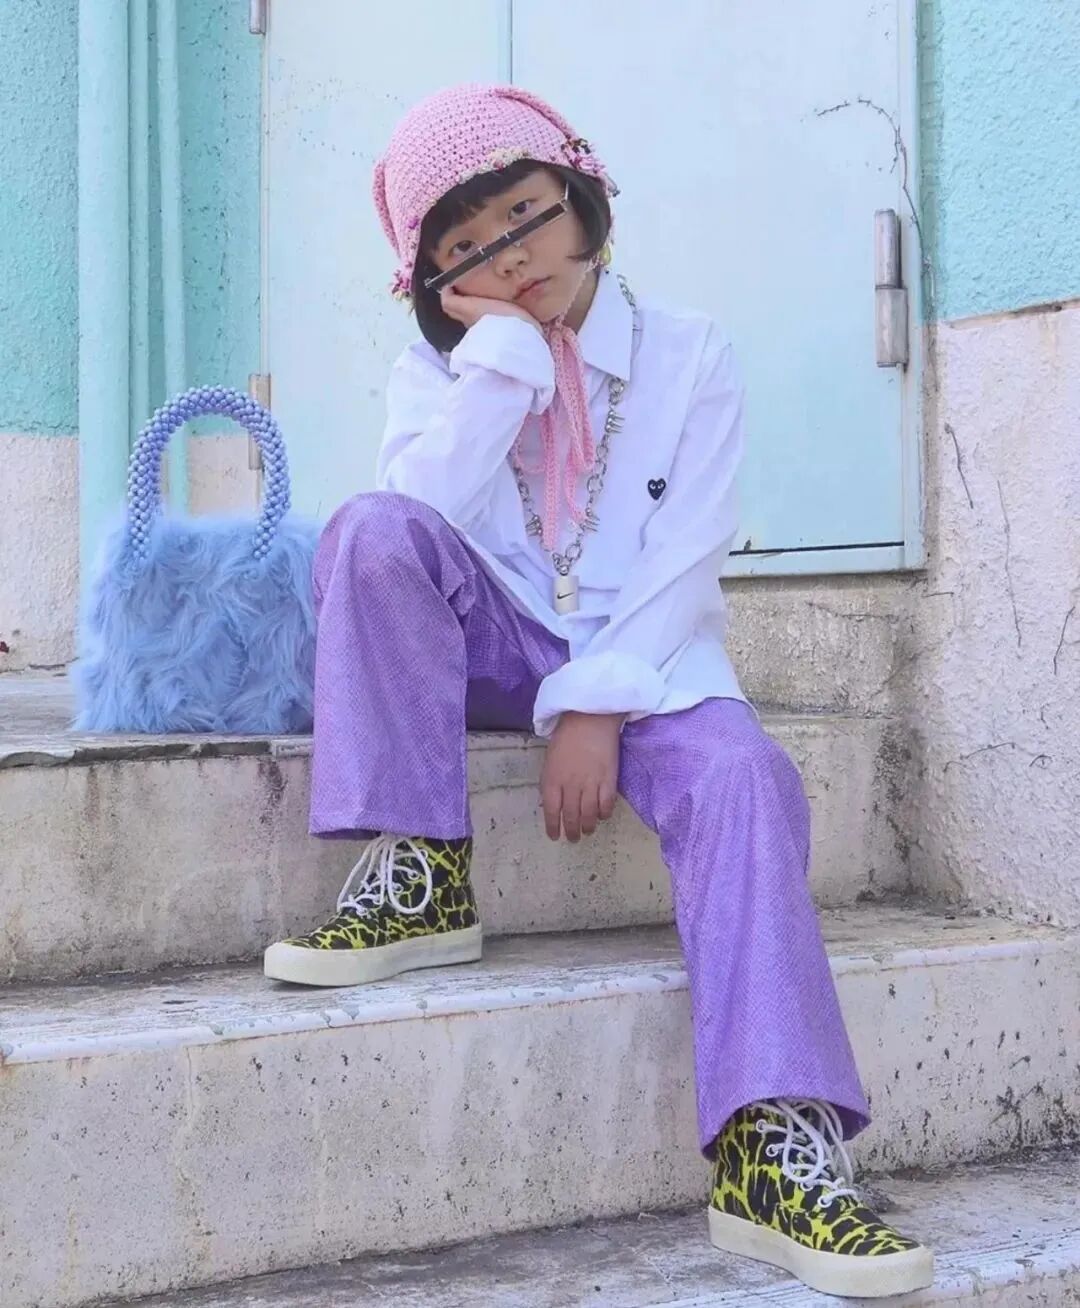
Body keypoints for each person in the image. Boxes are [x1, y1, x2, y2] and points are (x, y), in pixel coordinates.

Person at [263, 83, 933, 1298]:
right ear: (435, 282)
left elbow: (686, 564)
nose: (510, 256)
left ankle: (772, 1152)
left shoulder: (690, 351)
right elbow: (413, 527)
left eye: (524, 213)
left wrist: (599, 701)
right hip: (499, 641)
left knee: (745, 776)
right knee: (367, 529)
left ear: (581, 198)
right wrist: (502, 366)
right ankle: (421, 873)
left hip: (654, 663)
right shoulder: (439, 374)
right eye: (468, 246)